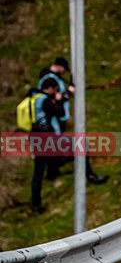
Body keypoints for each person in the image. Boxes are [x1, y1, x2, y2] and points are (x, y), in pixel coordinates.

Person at [38, 56, 107, 185]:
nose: (64, 72)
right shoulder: (50, 81)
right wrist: (68, 93)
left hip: (54, 126)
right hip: (54, 125)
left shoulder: (48, 77)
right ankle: (88, 174)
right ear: (59, 66)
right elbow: (54, 103)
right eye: (64, 69)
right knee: (80, 146)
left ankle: (54, 170)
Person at [29, 76, 62, 213]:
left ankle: (36, 202)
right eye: (53, 90)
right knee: (39, 169)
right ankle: (36, 203)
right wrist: (58, 101)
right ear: (49, 88)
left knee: (39, 168)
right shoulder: (45, 100)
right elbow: (59, 112)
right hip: (43, 136)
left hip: (35, 134)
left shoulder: (34, 97)